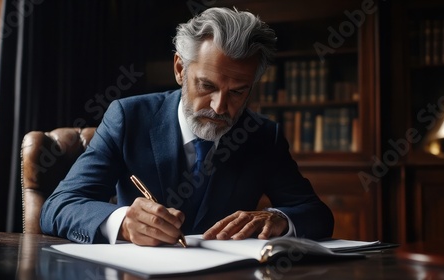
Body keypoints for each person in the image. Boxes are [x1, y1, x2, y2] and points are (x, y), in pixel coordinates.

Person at [40, 7, 334, 246]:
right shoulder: (129, 118)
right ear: (180, 69)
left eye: (237, 91)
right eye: (207, 85)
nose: (220, 107)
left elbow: (317, 214)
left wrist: (280, 219)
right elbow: (59, 206)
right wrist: (122, 222)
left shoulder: (263, 136)